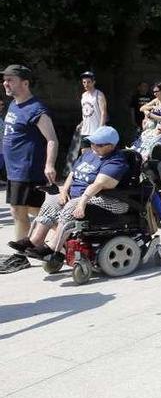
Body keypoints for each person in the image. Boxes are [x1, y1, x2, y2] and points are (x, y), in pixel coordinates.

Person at [9, 126, 128, 260]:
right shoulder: (88, 154)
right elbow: (73, 174)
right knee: (52, 201)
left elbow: (98, 184)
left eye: (99, 144)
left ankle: (54, 248)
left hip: (107, 199)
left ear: (111, 146)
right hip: (79, 195)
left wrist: (82, 203)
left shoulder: (116, 161)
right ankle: (35, 241)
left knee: (70, 206)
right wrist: (64, 191)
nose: (94, 146)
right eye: (92, 142)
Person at [2, 65, 59, 272]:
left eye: (10, 80)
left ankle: (22, 255)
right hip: (14, 169)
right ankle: (61, 234)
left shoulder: (37, 109)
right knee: (29, 210)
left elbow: (51, 139)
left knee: (22, 210)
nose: (6, 83)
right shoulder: (13, 105)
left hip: (27, 169)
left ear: (25, 83)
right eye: (5, 80)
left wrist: (50, 164)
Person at [78, 71, 108, 144]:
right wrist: (81, 123)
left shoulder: (99, 95)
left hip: (96, 130)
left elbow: (103, 112)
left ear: (93, 82)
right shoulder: (83, 95)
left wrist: (100, 129)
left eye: (88, 82)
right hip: (85, 131)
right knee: (85, 154)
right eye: (84, 82)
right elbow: (85, 111)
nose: (86, 84)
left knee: (96, 154)